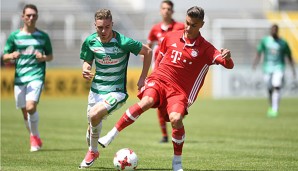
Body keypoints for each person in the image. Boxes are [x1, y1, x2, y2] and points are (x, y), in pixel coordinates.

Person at [98, 6, 234, 171]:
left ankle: (177, 162)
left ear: (201, 25)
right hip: (160, 79)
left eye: (194, 25)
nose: (189, 28)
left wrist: (227, 57)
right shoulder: (170, 37)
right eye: (187, 23)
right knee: (146, 101)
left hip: (179, 91)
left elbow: (227, 65)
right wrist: (150, 77)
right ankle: (111, 134)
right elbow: (160, 57)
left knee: (176, 119)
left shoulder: (206, 48)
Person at [78, 9, 152, 168]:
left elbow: (148, 51)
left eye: (106, 27)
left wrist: (142, 77)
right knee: (93, 122)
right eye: (99, 27)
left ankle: (92, 151)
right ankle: (93, 144)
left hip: (116, 92)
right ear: (95, 26)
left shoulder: (123, 42)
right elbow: (87, 61)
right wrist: (85, 69)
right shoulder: (90, 41)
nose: (103, 31)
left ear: (112, 24)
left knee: (94, 115)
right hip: (95, 91)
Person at [2, 4, 53, 152]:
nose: (31, 18)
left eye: (34, 15)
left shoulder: (43, 37)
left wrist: (43, 57)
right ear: (23, 17)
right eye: (28, 15)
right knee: (25, 112)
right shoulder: (14, 36)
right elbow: (4, 57)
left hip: (36, 76)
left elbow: (50, 56)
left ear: (37, 17)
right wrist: (11, 56)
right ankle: (34, 136)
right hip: (20, 78)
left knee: (31, 107)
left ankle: (33, 138)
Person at [147, 0, 184, 143]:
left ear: (172, 11)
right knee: (158, 102)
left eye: (168, 8)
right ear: (160, 11)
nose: (166, 11)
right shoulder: (155, 29)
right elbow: (149, 46)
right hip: (160, 71)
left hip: (176, 72)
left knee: (177, 103)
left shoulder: (180, 27)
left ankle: (177, 117)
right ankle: (164, 135)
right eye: (163, 8)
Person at [253, 24, 296, 118]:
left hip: (279, 67)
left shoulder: (283, 43)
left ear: (277, 31)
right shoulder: (265, 41)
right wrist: (255, 63)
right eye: (272, 30)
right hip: (267, 68)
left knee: (276, 86)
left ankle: (275, 109)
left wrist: (293, 69)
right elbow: (259, 52)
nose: (273, 31)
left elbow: (289, 56)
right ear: (270, 31)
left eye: (275, 30)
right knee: (269, 88)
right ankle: (271, 106)